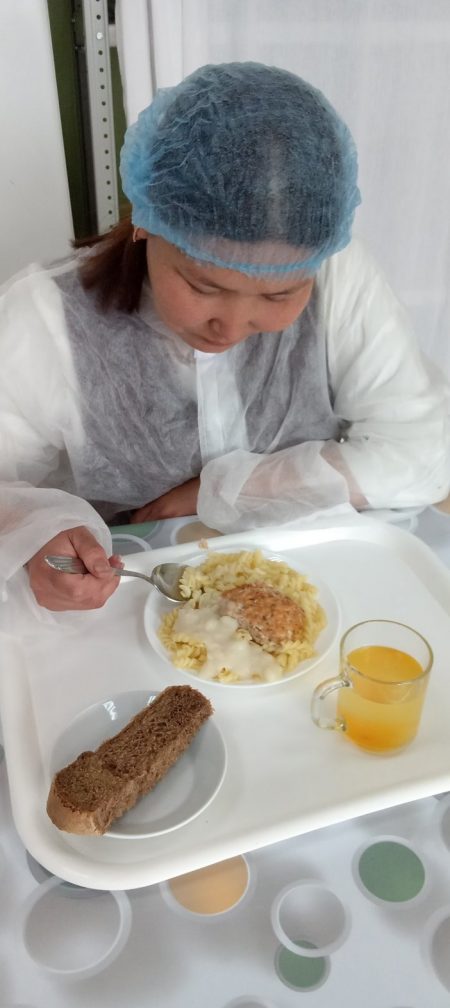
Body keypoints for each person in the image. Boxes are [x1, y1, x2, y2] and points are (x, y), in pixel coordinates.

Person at [0, 62, 448, 617]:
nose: (232, 327)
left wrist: (226, 491)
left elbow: (423, 451)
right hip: (119, 603)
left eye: (279, 294)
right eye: (203, 286)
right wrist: (35, 531)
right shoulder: (43, 319)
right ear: (147, 221)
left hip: (317, 581)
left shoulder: (341, 275)